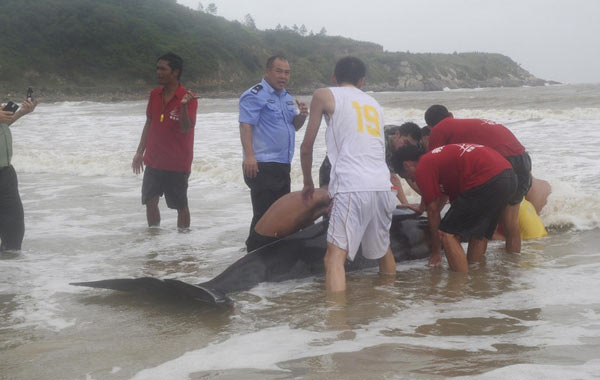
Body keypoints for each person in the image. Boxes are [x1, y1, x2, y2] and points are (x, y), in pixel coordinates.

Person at [300, 56, 397, 293]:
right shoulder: (375, 104)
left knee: (333, 258)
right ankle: (391, 310)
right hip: (382, 186)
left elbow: (306, 146)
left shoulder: (324, 94)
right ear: (362, 81)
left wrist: (308, 182)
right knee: (383, 251)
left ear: (334, 77)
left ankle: (337, 323)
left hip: (352, 185)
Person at [392, 144, 517, 272]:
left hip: (486, 179)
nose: (412, 180)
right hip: (508, 175)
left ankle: (460, 285)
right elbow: (441, 197)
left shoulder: (422, 167)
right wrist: (421, 207)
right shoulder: (436, 159)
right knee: (480, 233)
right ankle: (476, 279)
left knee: (446, 233)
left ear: (407, 165)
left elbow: (433, 211)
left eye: (407, 176)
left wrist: (436, 253)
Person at [424, 104, 531, 254]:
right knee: (511, 224)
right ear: (451, 114)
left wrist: (430, 207)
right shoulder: (464, 124)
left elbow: (432, 165)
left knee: (481, 225)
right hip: (523, 158)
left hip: (503, 162)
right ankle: (513, 267)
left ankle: (475, 272)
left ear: (430, 127)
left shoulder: (439, 129)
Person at [239, 55, 308, 249]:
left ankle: (269, 252)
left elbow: (293, 126)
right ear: (267, 71)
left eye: (287, 72)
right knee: (264, 216)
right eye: (279, 71)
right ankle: (253, 254)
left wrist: (302, 115)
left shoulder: (286, 97)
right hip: (261, 163)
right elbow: (246, 127)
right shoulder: (254, 94)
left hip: (282, 163)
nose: (283, 76)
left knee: (279, 215)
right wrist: (250, 157)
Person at [132, 52, 198, 229]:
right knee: (150, 202)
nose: (158, 72)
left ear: (175, 72)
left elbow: (185, 127)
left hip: (177, 162)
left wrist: (183, 106)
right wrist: (140, 152)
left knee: (180, 206)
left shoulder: (188, 97)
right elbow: (149, 123)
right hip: (153, 160)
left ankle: (182, 246)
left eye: (163, 69)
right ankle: (155, 241)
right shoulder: (154, 94)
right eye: (157, 68)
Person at [0, 96, 37, 251]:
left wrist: (21, 112)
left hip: (5, 173)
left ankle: (11, 273)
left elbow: (3, 125)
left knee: (14, 234)